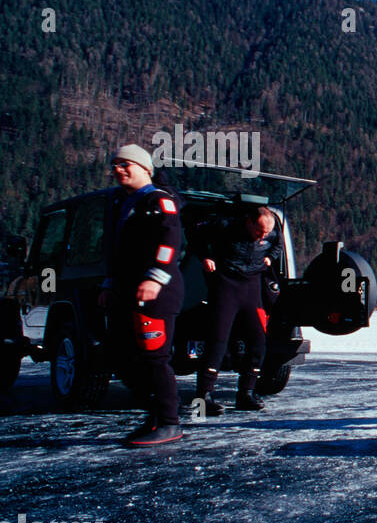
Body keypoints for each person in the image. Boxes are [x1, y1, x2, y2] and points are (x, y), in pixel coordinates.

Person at [98, 144, 185, 446]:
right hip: (126, 292)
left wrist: (155, 278)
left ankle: (169, 422)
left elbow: (170, 242)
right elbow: (116, 250)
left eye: (125, 164)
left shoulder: (159, 201)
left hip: (156, 293)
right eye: (115, 165)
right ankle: (155, 413)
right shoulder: (122, 202)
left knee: (154, 358)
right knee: (119, 356)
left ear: (145, 168)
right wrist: (109, 283)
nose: (118, 170)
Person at [194, 205, 282, 413]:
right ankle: (203, 396)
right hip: (226, 284)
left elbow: (277, 246)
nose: (262, 237)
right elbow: (195, 234)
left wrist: (270, 258)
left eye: (266, 234)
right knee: (218, 340)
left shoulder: (272, 234)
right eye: (258, 232)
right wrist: (204, 257)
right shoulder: (225, 226)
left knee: (258, 340)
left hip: (252, 285)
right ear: (249, 222)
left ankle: (246, 393)